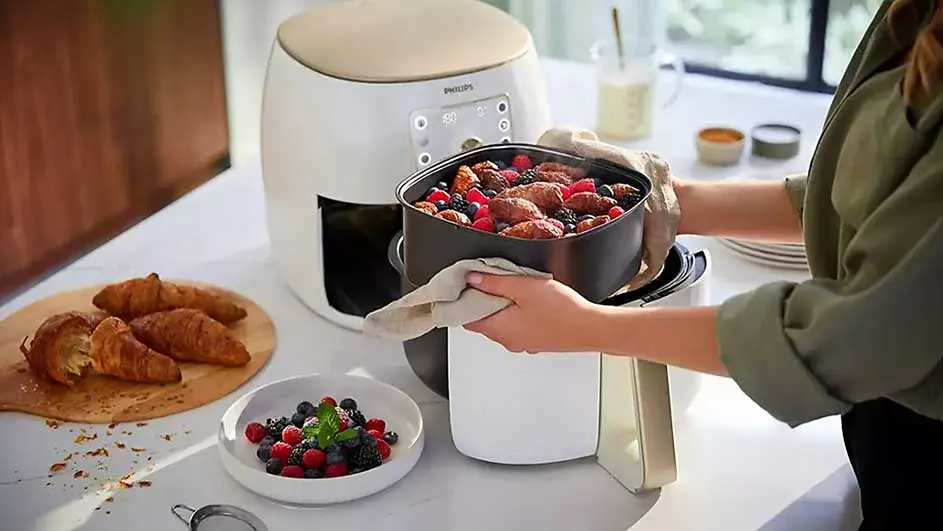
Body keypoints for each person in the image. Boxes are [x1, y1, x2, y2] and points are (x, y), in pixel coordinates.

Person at [463, 1, 943, 529]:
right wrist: (673, 201)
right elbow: (874, 197)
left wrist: (585, 327)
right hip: (880, 438)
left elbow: (854, 337)